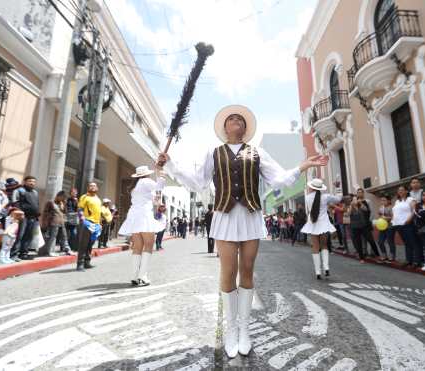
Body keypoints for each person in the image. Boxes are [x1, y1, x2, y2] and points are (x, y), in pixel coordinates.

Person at [157, 104, 326, 358]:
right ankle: (231, 330)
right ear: (224, 128)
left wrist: (301, 167)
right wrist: (170, 165)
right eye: (231, 118)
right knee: (228, 270)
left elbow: (278, 179)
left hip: (249, 216)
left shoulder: (258, 153)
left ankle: (245, 330)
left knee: (247, 270)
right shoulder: (213, 153)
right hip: (225, 216)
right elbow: (197, 181)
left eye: (240, 119)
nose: (236, 120)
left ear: (245, 129)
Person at [118, 166, 166, 285]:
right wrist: (161, 175)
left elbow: (155, 197)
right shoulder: (146, 181)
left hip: (134, 215)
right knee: (149, 244)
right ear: (146, 174)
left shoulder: (135, 186)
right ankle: (143, 276)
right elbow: (159, 187)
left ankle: (135, 276)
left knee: (137, 246)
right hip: (144, 215)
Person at [301, 178, 338, 278]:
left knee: (315, 247)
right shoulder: (325, 197)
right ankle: (326, 268)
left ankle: (318, 272)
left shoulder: (307, 198)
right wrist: (337, 188)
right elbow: (338, 198)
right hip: (323, 224)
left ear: (312, 188)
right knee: (324, 245)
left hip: (313, 223)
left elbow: (309, 210)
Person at [10, 176, 40, 260]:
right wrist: (19, 213)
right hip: (22, 216)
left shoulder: (35, 192)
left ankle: (23, 253)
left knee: (28, 236)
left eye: (34, 181)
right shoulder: (19, 190)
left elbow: (36, 204)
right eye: (30, 181)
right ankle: (13, 254)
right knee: (19, 235)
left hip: (33, 217)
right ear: (25, 182)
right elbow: (15, 202)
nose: (32, 183)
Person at [391, 185, 421, 268]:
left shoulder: (410, 199)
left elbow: (414, 211)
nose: (400, 191)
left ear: (406, 191)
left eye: (402, 190)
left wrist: (409, 220)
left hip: (408, 224)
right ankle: (409, 260)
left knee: (413, 242)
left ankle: (417, 261)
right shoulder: (397, 201)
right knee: (407, 243)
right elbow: (395, 212)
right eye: (398, 190)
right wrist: (393, 221)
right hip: (398, 225)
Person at [76, 182, 103, 271]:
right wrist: (82, 218)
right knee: (83, 244)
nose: (93, 187)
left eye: (94, 186)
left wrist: (100, 223)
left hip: (96, 224)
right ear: (88, 188)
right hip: (87, 223)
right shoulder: (84, 197)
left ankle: (87, 262)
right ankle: (80, 264)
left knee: (90, 244)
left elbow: (98, 212)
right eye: (91, 186)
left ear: (97, 188)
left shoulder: (98, 199)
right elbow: (80, 209)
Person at [40, 191, 72, 256]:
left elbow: (65, 212)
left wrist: (64, 205)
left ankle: (67, 249)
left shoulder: (62, 203)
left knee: (64, 236)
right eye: (62, 197)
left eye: (64, 198)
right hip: (53, 222)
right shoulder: (50, 202)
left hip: (62, 222)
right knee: (52, 237)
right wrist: (44, 223)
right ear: (58, 196)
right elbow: (45, 213)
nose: (62, 199)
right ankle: (48, 251)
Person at [349, 195, 380, 263]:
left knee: (371, 240)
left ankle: (378, 255)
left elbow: (366, 209)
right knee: (358, 242)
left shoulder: (361, 205)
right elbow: (349, 213)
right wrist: (351, 206)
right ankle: (361, 258)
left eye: (356, 199)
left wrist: (360, 203)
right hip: (355, 227)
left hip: (364, 226)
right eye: (353, 200)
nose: (355, 201)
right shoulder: (351, 207)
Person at [377, 194, 396, 262]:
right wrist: (379, 218)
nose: (382, 202)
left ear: (388, 201)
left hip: (390, 227)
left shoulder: (391, 208)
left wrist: (387, 218)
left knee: (390, 241)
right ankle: (384, 254)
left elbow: (394, 217)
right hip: (382, 227)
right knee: (380, 241)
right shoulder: (381, 208)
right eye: (381, 200)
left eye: (384, 200)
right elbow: (379, 215)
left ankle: (392, 255)